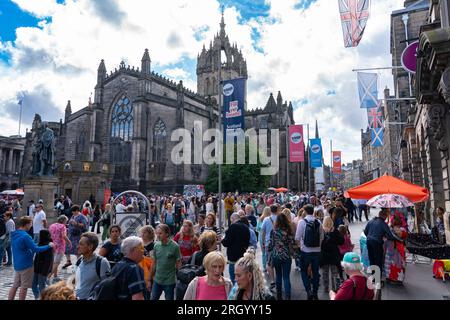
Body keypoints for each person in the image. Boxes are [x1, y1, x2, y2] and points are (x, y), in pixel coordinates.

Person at [8, 216, 54, 300]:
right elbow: (36, 249)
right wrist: (48, 246)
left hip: (17, 264)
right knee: (24, 287)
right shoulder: (26, 236)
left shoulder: (14, 234)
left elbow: (24, 246)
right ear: (27, 224)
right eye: (31, 224)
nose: (31, 226)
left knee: (15, 285)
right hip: (26, 265)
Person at [295, 204, 324, 300]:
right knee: (315, 272)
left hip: (305, 251)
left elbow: (297, 238)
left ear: (305, 211)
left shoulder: (302, 222)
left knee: (303, 271)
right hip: (317, 251)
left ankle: (308, 290)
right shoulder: (318, 222)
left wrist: (300, 246)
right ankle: (315, 292)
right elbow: (322, 237)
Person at [364, 208, 401, 280]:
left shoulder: (371, 221)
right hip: (377, 242)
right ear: (384, 216)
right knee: (378, 260)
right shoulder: (383, 224)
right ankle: (377, 278)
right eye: (386, 216)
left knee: (372, 259)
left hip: (369, 241)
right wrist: (399, 240)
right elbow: (390, 236)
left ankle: (373, 276)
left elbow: (365, 232)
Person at [267, 212, 297, 300]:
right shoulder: (288, 231)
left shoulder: (274, 231)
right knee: (286, 277)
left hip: (276, 255)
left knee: (278, 275)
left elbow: (271, 244)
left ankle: (279, 295)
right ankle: (288, 296)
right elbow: (292, 243)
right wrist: (295, 253)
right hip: (286, 256)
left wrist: (269, 252)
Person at [74, 232, 111, 300]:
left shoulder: (101, 262)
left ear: (90, 247)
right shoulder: (79, 261)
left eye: (81, 244)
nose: (77, 246)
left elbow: (107, 288)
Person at [151, 224, 182, 300]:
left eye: (160, 233)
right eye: (157, 233)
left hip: (169, 281)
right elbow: (154, 263)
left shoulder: (175, 246)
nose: (158, 235)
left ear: (167, 234)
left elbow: (178, 263)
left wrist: (179, 278)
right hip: (157, 280)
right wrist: (149, 278)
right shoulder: (156, 245)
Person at [222, 213, 250, 284]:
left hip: (233, 257)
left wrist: (222, 240)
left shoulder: (233, 226)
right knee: (242, 278)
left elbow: (226, 242)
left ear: (232, 219)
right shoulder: (246, 227)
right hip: (243, 256)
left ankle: (235, 294)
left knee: (234, 279)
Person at [320, 216, 344, 293]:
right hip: (334, 254)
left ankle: (326, 287)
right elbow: (341, 242)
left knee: (325, 272)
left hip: (324, 255)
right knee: (334, 272)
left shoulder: (321, 230)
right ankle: (335, 287)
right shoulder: (335, 231)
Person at [384, 211, 408, 283]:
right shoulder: (403, 230)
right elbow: (404, 237)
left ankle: (390, 277)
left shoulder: (389, 229)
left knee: (391, 262)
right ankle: (398, 278)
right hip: (400, 248)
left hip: (391, 247)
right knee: (399, 263)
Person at [261, 204, 280, 290]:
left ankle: (272, 280)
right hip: (279, 243)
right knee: (278, 261)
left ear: (270, 210)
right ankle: (279, 280)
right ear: (277, 210)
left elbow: (263, 231)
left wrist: (263, 243)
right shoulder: (280, 218)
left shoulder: (266, 219)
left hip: (269, 243)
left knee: (269, 262)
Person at [32, 229, 54, 299]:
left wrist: (45, 272)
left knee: (42, 286)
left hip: (43, 270)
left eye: (40, 234)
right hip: (36, 268)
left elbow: (49, 260)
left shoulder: (49, 245)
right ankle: (38, 297)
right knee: (33, 285)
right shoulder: (40, 244)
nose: (38, 236)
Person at [138, 225, 155, 299]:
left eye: (144, 232)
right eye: (142, 232)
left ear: (150, 234)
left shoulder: (153, 246)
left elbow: (153, 261)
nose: (142, 234)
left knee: (148, 294)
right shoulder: (139, 244)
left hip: (149, 274)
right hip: (139, 272)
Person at [256, 206, 271, 272]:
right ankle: (270, 265)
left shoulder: (260, 219)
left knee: (263, 253)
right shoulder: (271, 219)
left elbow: (257, 229)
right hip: (269, 237)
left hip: (261, 237)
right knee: (270, 252)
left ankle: (264, 267)